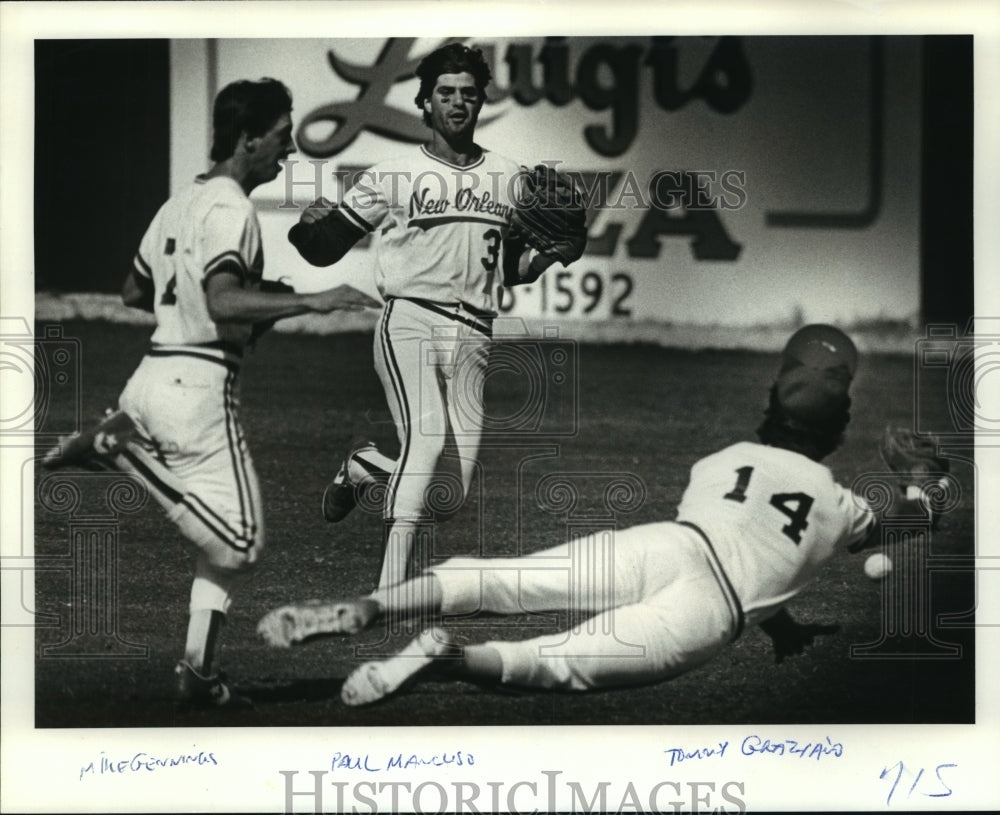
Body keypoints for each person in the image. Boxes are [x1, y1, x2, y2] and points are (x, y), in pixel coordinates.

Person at [257, 325, 912, 706]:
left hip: (668, 544)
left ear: (772, 401)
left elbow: (744, 538)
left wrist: (784, 621)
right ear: (838, 429)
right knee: (554, 662)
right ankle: (446, 657)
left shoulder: (722, 461)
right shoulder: (836, 503)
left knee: (502, 578)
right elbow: (897, 525)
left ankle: (369, 607)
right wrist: (924, 481)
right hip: (708, 614)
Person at [42, 77, 380, 708]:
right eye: (281, 137)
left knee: (219, 553)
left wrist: (268, 298)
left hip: (151, 378)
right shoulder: (231, 207)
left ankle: (197, 671)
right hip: (196, 389)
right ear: (248, 138)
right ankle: (121, 451)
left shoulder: (181, 202)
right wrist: (315, 298)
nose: (288, 152)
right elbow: (224, 301)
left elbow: (135, 293)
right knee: (243, 543)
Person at [287, 43, 565, 590]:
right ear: (425, 101)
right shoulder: (394, 173)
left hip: (476, 333)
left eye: (468, 93)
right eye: (445, 93)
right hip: (410, 319)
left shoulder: (511, 178)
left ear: (482, 100)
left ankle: (366, 468)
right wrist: (306, 226)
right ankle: (386, 595)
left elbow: (511, 269)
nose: (457, 103)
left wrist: (556, 253)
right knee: (427, 437)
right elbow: (324, 247)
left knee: (448, 494)